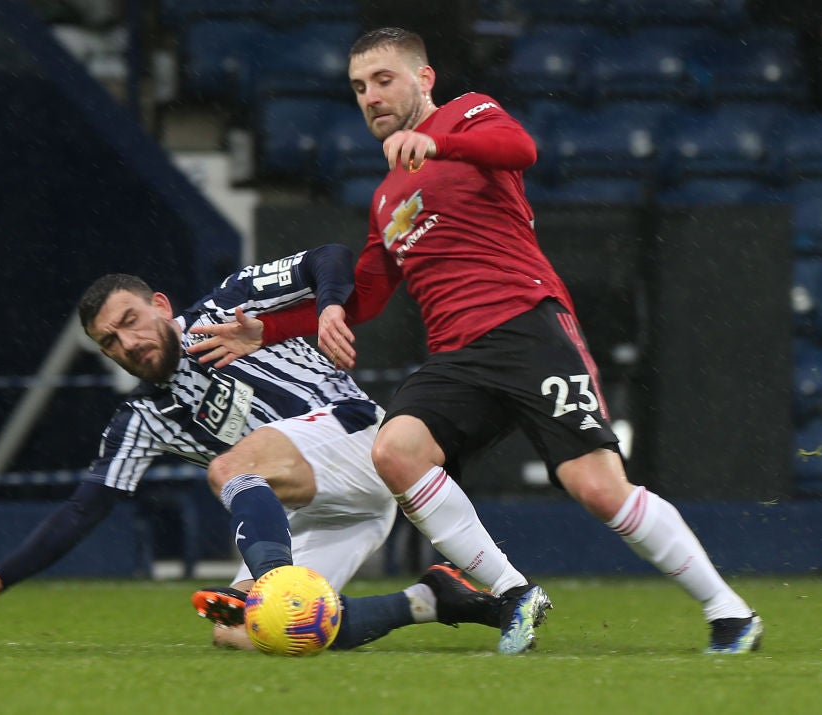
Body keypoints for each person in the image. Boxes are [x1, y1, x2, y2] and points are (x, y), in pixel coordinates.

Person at [188, 28, 764, 655]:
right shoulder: (386, 199)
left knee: (598, 488)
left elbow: (521, 147)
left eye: (384, 80)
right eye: (359, 87)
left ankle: (729, 612)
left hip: (526, 326)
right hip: (456, 358)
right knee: (396, 453)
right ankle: (515, 593)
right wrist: (266, 329)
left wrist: (434, 141)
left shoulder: (467, 116)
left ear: (424, 79)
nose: (371, 97)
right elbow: (369, 298)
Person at [0, 244, 501, 651]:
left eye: (132, 319)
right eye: (110, 341)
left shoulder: (227, 307)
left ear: (162, 306)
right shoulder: (141, 418)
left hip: (360, 440)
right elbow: (82, 509)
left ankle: (275, 582)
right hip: (333, 505)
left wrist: (327, 306)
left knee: (232, 467)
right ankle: (433, 599)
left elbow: (329, 257)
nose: (129, 341)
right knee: (248, 633)